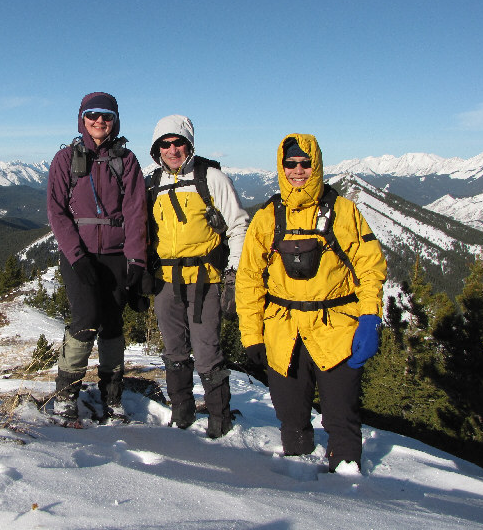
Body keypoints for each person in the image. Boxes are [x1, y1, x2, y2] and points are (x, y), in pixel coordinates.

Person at [236, 133, 387, 472]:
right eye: (290, 164)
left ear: (315, 165)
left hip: (336, 330)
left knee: (341, 415)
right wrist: (251, 334)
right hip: (282, 333)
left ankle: (347, 479)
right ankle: (300, 482)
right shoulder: (267, 217)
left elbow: (370, 266)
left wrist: (369, 316)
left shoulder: (343, 211)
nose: (298, 170)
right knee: (290, 417)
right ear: (282, 166)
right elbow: (249, 278)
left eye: (305, 163)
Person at [47, 92, 148, 422]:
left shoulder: (127, 160)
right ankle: (65, 393)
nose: (99, 121)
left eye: (106, 116)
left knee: (113, 323)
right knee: (86, 318)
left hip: (117, 255)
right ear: (82, 118)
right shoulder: (66, 159)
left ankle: (112, 393)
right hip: (81, 255)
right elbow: (57, 212)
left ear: (115, 120)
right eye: (93, 115)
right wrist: (76, 256)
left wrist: (136, 260)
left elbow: (135, 212)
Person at [147, 114, 249, 438]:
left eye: (178, 143)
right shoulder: (152, 185)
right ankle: (182, 414)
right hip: (165, 281)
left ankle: (220, 420)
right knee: (174, 350)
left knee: (207, 352)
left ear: (189, 145)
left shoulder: (212, 178)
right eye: (166, 144)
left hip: (205, 279)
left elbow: (238, 226)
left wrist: (233, 274)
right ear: (157, 148)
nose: (172, 149)